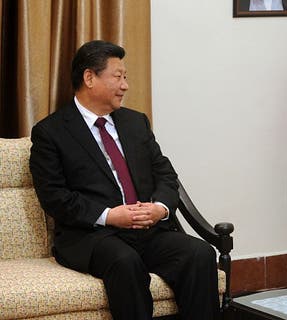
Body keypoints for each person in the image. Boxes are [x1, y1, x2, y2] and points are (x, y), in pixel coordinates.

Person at [29, 40, 220, 320]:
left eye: (126, 77)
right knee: (125, 261)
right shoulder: (51, 132)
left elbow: (166, 174)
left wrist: (160, 209)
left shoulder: (135, 122)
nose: (125, 85)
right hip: (92, 236)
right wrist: (109, 216)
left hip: (147, 230)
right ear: (89, 77)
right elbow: (54, 196)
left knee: (199, 253)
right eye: (117, 76)